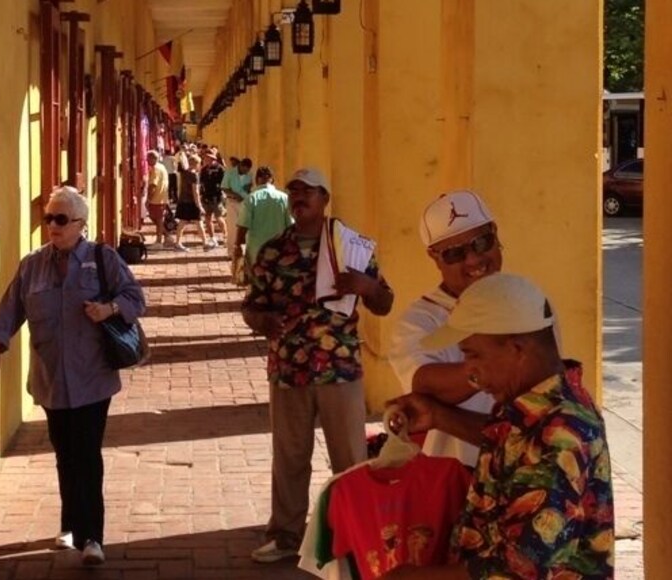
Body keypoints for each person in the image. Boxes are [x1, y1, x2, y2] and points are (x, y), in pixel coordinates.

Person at [381, 273, 613, 579]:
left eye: (473, 356)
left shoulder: (561, 434)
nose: (470, 374)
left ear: (517, 349)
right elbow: (514, 441)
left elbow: (519, 569)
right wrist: (438, 416)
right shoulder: (540, 403)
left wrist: (413, 577)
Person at [0, 186, 147, 567]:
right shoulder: (32, 264)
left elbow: (136, 298)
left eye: (60, 219)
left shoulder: (102, 259)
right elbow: (11, 308)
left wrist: (108, 309)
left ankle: (93, 536)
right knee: (64, 452)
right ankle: (70, 523)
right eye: (48, 218)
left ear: (80, 224)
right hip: (50, 378)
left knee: (86, 454)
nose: (52, 226)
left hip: (91, 376)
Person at [242, 168, 394, 564]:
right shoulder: (274, 251)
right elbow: (252, 305)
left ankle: (356, 535)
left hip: (338, 367)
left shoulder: (349, 247)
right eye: (294, 192)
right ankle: (285, 536)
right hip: (289, 368)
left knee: (350, 458)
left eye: (307, 191)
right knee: (290, 457)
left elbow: (384, 302)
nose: (299, 198)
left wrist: (368, 287)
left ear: (325, 197)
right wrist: (262, 322)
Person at [388, 190, 502, 466]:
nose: (474, 260)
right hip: (454, 477)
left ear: (496, 235)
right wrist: (498, 366)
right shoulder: (419, 321)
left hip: (529, 474)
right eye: (455, 253)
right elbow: (425, 384)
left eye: (481, 242)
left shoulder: (527, 302)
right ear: (434, 257)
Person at [234, 166, 291, 267]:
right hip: (279, 250)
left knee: (256, 280)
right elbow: (291, 225)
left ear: (256, 180)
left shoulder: (250, 199)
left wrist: (237, 245)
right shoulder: (284, 198)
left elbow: (243, 226)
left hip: (256, 251)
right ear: (272, 180)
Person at [174, 153, 208, 251]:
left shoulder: (184, 173)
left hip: (182, 200)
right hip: (192, 202)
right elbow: (196, 192)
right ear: (196, 164)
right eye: (199, 164)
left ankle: (178, 243)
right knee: (199, 222)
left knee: (182, 222)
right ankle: (205, 243)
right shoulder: (194, 175)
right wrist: (199, 206)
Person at [223, 157, 253, 253]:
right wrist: (236, 195)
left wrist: (248, 187)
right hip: (232, 202)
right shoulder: (229, 173)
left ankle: (247, 251)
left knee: (247, 226)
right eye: (245, 170)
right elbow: (224, 188)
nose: (246, 172)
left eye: (248, 170)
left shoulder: (249, 174)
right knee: (232, 227)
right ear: (240, 166)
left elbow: (250, 186)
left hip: (245, 203)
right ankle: (231, 252)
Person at [199, 150, 227, 247]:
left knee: (219, 218)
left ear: (213, 158)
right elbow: (201, 182)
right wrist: (201, 194)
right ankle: (212, 238)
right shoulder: (203, 169)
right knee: (208, 218)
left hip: (216, 197)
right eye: (205, 158)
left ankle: (225, 236)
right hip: (206, 197)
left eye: (208, 158)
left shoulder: (220, 169)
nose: (206, 159)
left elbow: (224, 182)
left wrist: (222, 193)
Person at [144, 151, 170, 249]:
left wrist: (148, 199)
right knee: (156, 218)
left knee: (158, 219)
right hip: (162, 196)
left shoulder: (155, 169)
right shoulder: (162, 167)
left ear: (153, 158)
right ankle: (167, 236)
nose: (147, 161)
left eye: (148, 158)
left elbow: (153, 185)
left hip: (157, 198)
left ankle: (159, 241)